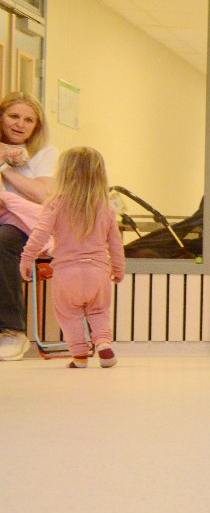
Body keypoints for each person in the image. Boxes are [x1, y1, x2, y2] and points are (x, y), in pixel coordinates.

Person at [18, 146, 123, 369]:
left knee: (69, 314)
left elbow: (39, 234)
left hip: (66, 273)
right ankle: (103, 343)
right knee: (99, 311)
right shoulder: (106, 207)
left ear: (63, 173)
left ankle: (80, 356)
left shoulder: (56, 204)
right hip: (98, 272)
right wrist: (118, 268)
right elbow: (116, 244)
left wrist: (27, 258)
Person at [0, 92, 57, 361]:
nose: (20, 124)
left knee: (2, 241)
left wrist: (4, 167)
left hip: (27, 224)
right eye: (14, 116)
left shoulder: (45, 154)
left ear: (37, 126)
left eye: (28, 120)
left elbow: (43, 195)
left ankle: (12, 331)